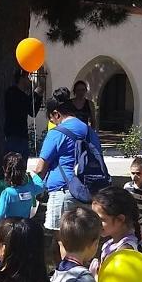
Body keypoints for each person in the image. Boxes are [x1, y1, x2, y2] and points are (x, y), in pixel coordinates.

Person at [33, 88, 108, 232]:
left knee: (59, 241)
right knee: (82, 243)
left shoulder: (56, 133)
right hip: (88, 192)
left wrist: (28, 189)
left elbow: (40, 169)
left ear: (56, 114)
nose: (53, 124)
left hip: (63, 193)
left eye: (52, 120)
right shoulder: (89, 131)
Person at [0, 152, 45, 228]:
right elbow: (41, 185)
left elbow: (0, 215)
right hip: (25, 227)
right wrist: (31, 173)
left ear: (4, 170)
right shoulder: (30, 189)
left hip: (9, 229)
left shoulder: (7, 193)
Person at [3, 71, 44, 161]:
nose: (30, 80)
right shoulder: (12, 93)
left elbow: (32, 112)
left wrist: (39, 97)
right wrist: (35, 95)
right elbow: (21, 104)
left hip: (23, 135)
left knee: (22, 164)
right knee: (13, 163)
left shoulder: (24, 96)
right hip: (13, 135)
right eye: (28, 78)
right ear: (21, 79)